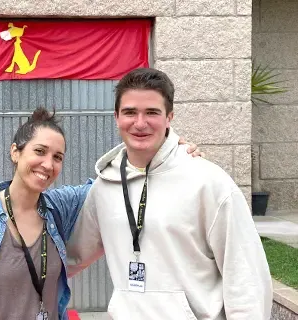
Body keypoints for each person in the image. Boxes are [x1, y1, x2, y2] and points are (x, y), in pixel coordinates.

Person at [0, 106, 201, 320]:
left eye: (58, 157)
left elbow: (110, 181)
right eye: (39, 151)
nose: (48, 164)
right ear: (15, 152)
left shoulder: (57, 208)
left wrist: (166, 153)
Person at [66, 68, 273, 319]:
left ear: (169, 117)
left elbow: (245, 276)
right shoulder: (104, 186)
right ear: (116, 117)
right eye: (130, 112)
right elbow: (74, 256)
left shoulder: (207, 181)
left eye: (152, 112)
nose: (140, 123)